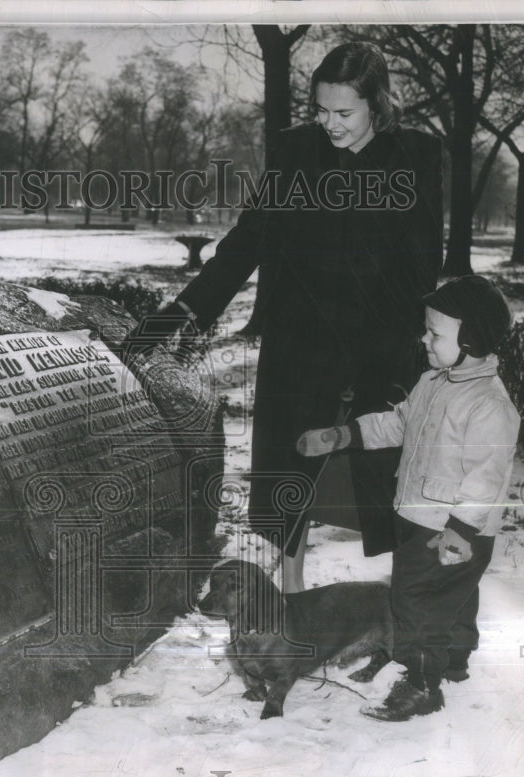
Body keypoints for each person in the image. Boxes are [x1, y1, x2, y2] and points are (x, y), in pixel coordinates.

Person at [121, 42, 444, 593]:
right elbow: (250, 239)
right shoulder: (297, 151)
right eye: (321, 109)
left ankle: (401, 606)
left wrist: (416, 336)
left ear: (377, 103)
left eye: (344, 113)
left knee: (384, 471)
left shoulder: (414, 157)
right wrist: (176, 315)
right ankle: (290, 589)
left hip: (378, 339)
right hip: (302, 338)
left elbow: (423, 263)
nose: (330, 124)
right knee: (290, 470)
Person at [297, 275, 521, 721]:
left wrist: (460, 532)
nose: (425, 339)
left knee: (414, 602)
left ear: (471, 339)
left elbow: (486, 476)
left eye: (435, 333)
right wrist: (347, 434)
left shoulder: (488, 406)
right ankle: (454, 659)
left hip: (452, 527)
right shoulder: (434, 382)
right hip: (423, 516)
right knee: (453, 596)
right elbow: (399, 423)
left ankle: (421, 684)